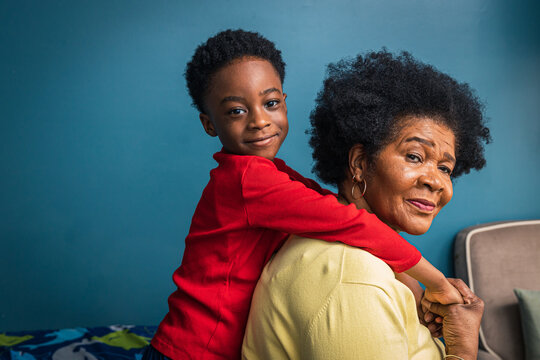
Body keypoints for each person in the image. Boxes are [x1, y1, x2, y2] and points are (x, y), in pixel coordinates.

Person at [147, 31, 462, 360]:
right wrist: (436, 282)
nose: (259, 121)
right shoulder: (248, 181)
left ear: (284, 101)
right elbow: (348, 221)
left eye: (271, 104)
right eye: (237, 111)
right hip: (193, 351)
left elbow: (323, 203)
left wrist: (404, 281)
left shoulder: (270, 172)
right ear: (209, 124)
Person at [242, 50, 490, 360]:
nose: (436, 182)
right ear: (360, 163)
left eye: (445, 168)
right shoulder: (353, 279)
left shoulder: (367, 261)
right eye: (414, 156)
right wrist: (464, 350)